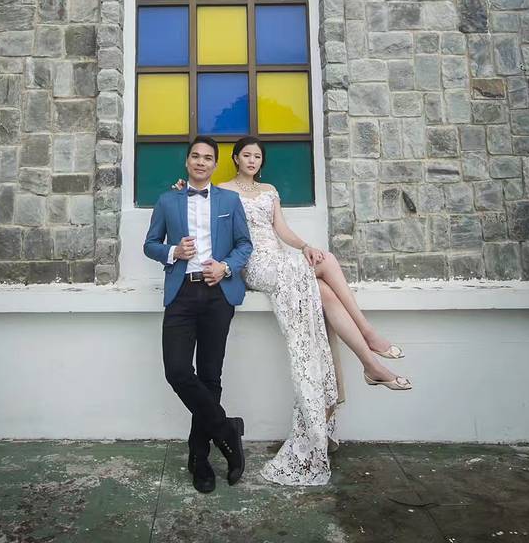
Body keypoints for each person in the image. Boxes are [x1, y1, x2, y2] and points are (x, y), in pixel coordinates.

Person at [175, 136, 412, 487]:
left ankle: (369, 359)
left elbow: (281, 230)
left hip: (281, 257)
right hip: (254, 264)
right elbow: (200, 208)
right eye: (246, 155)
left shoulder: (269, 190)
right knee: (321, 271)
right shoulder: (222, 190)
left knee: (324, 280)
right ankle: (370, 344)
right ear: (236, 158)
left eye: (258, 156)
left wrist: (305, 247)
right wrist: (182, 189)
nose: (252, 160)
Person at [143, 135, 253, 494]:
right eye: (195, 156)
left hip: (218, 294)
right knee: (177, 371)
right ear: (187, 161)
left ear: (215, 164)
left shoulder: (230, 201)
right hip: (182, 293)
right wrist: (173, 251)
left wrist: (225, 267)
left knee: (209, 376)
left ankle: (199, 458)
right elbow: (150, 244)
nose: (201, 162)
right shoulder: (168, 200)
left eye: (208, 157)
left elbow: (245, 244)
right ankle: (227, 430)